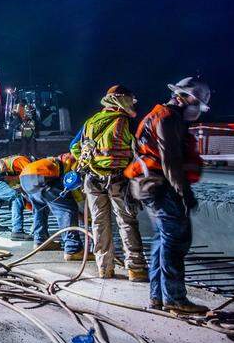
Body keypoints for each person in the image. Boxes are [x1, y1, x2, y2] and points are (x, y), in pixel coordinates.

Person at [126, 77, 211, 315]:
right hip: (160, 186)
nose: (197, 109)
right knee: (175, 241)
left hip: (148, 185)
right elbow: (170, 160)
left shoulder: (155, 114)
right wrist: (184, 193)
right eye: (197, 103)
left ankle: (158, 297)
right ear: (189, 98)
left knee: (162, 242)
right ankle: (175, 298)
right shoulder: (168, 118)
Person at [70, 85, 148, 280]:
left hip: (92, 179)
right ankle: (136, 268)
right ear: (121, 100)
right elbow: (139, 150)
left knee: (99, 224)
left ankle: (104, 268)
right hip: (118, 179)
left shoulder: (91, 122)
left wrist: (89, 163)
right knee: (127, 222)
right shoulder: (126, 122)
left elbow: (74, 146)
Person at [19, 153, 85, 259]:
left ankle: (41, 241)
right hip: (41, 176)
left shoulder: (53, 160)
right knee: (67, 209)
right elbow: (72, 185)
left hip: (25, 179)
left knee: (40, 209)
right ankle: (73, 249)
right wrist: (82, 211)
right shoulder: (73, 161)